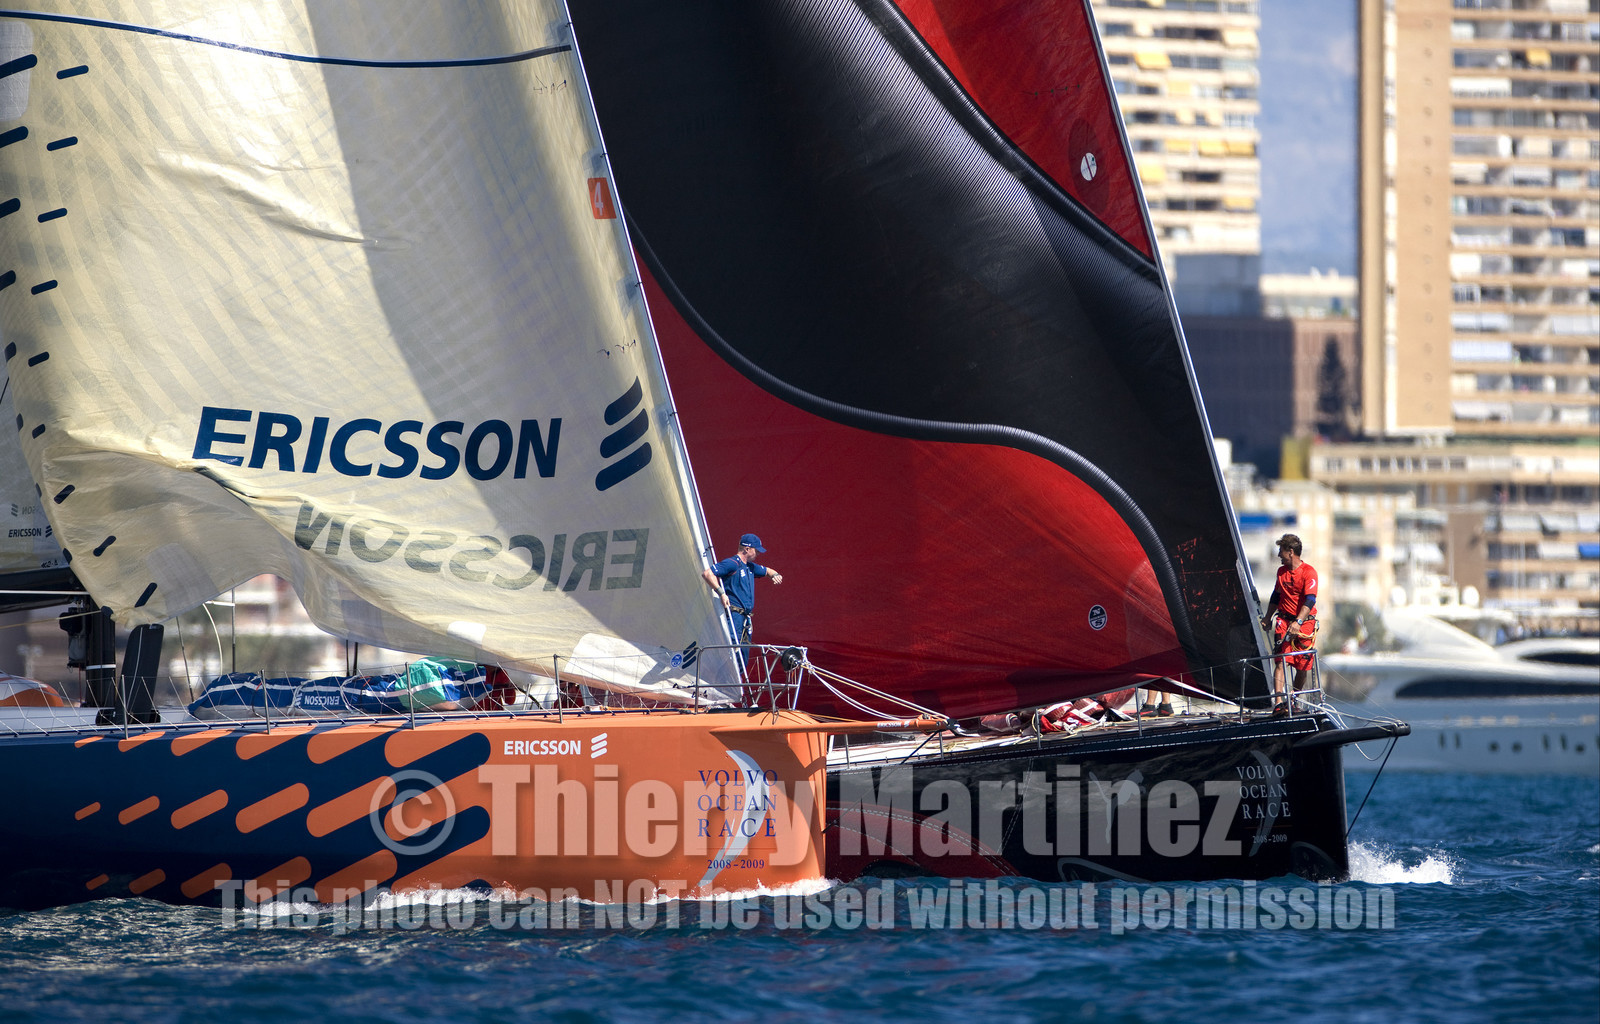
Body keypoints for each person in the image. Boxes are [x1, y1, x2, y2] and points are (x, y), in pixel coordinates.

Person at [702, 533, 783, 662]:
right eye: (756, 551)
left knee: (743, 655)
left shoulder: (750, 567)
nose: (758, 554)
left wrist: (775, 575)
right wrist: (721, 593)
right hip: (734, 614)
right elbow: (707, 573)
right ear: (747, 549)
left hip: (746, 617)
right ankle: (724, 680)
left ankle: (739, 680)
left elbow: (768, 570)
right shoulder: (732, 563)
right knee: (731, 650)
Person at [1261, 533, 1318, 715]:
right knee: (1281, 660)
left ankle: (1293, 699)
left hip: (1304, 624)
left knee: (1302, 666)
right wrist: (1268, 617)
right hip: (1283, 621)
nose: (1279, 555)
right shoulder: (1281, 572)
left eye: (1281, 551)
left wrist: (1299, 622)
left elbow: (1310, 600)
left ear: (1290, 552)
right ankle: (1278, 702)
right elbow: (1276, 596)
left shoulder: (1309, 572)